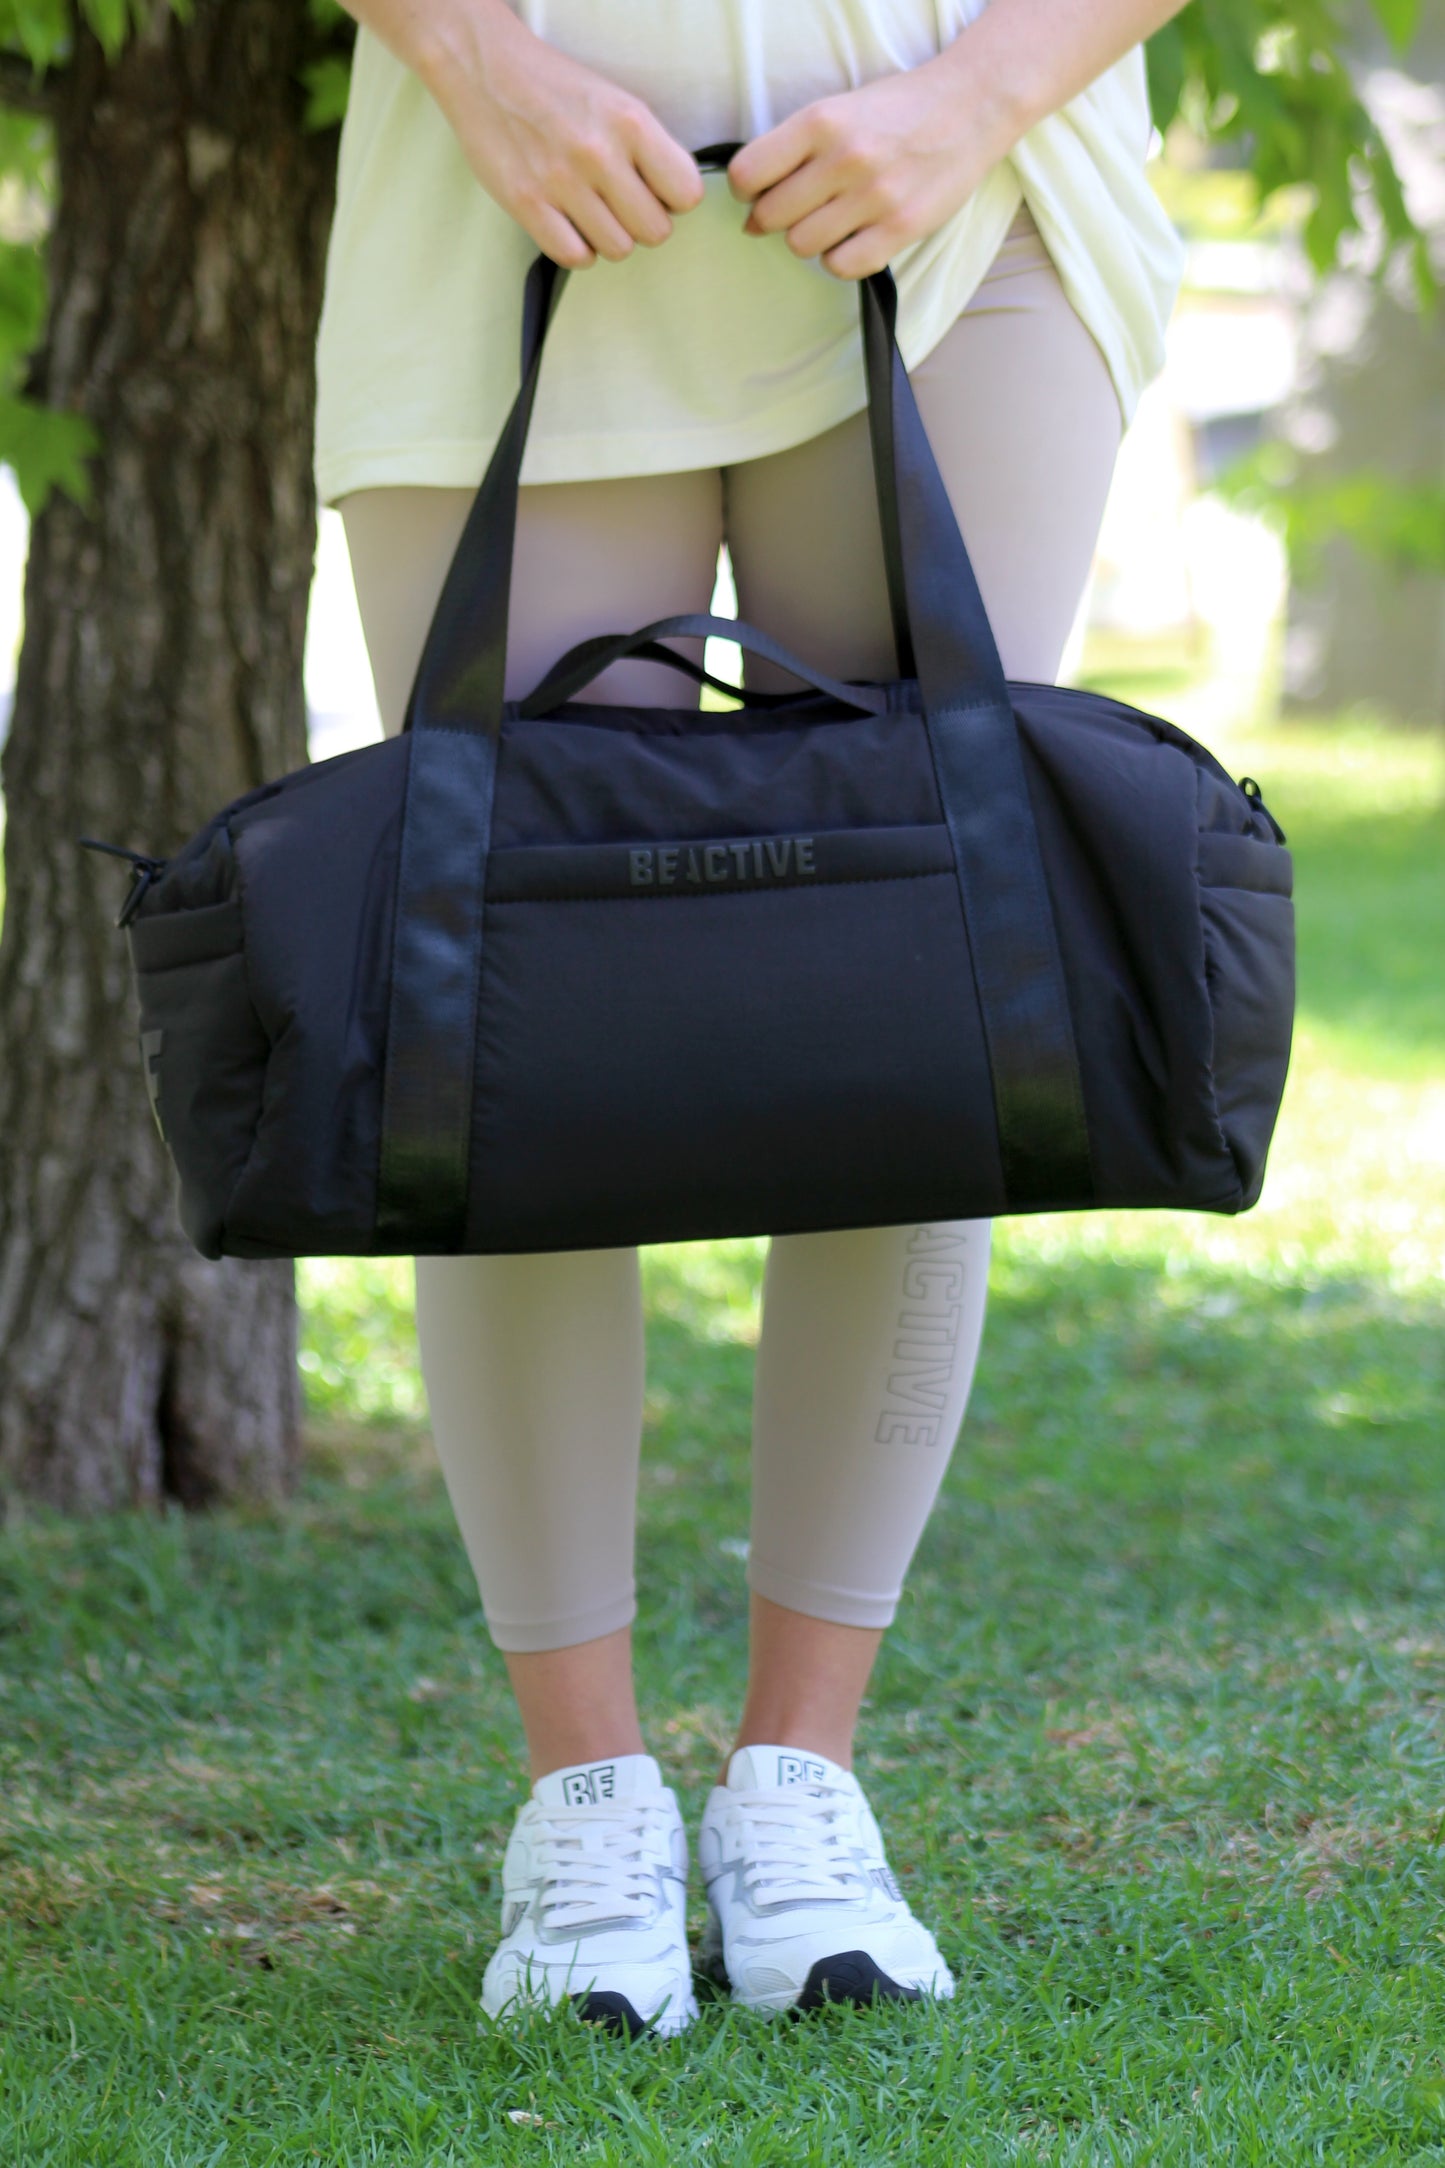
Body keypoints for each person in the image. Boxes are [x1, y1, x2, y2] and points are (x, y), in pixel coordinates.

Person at [319, 0, 1187, 2036]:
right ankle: (584, 1807)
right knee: (514, 1026)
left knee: (916, 1000)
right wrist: (472, 60)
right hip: (507, 181)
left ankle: (803, 1787)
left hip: (966, 191)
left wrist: (973, 100)